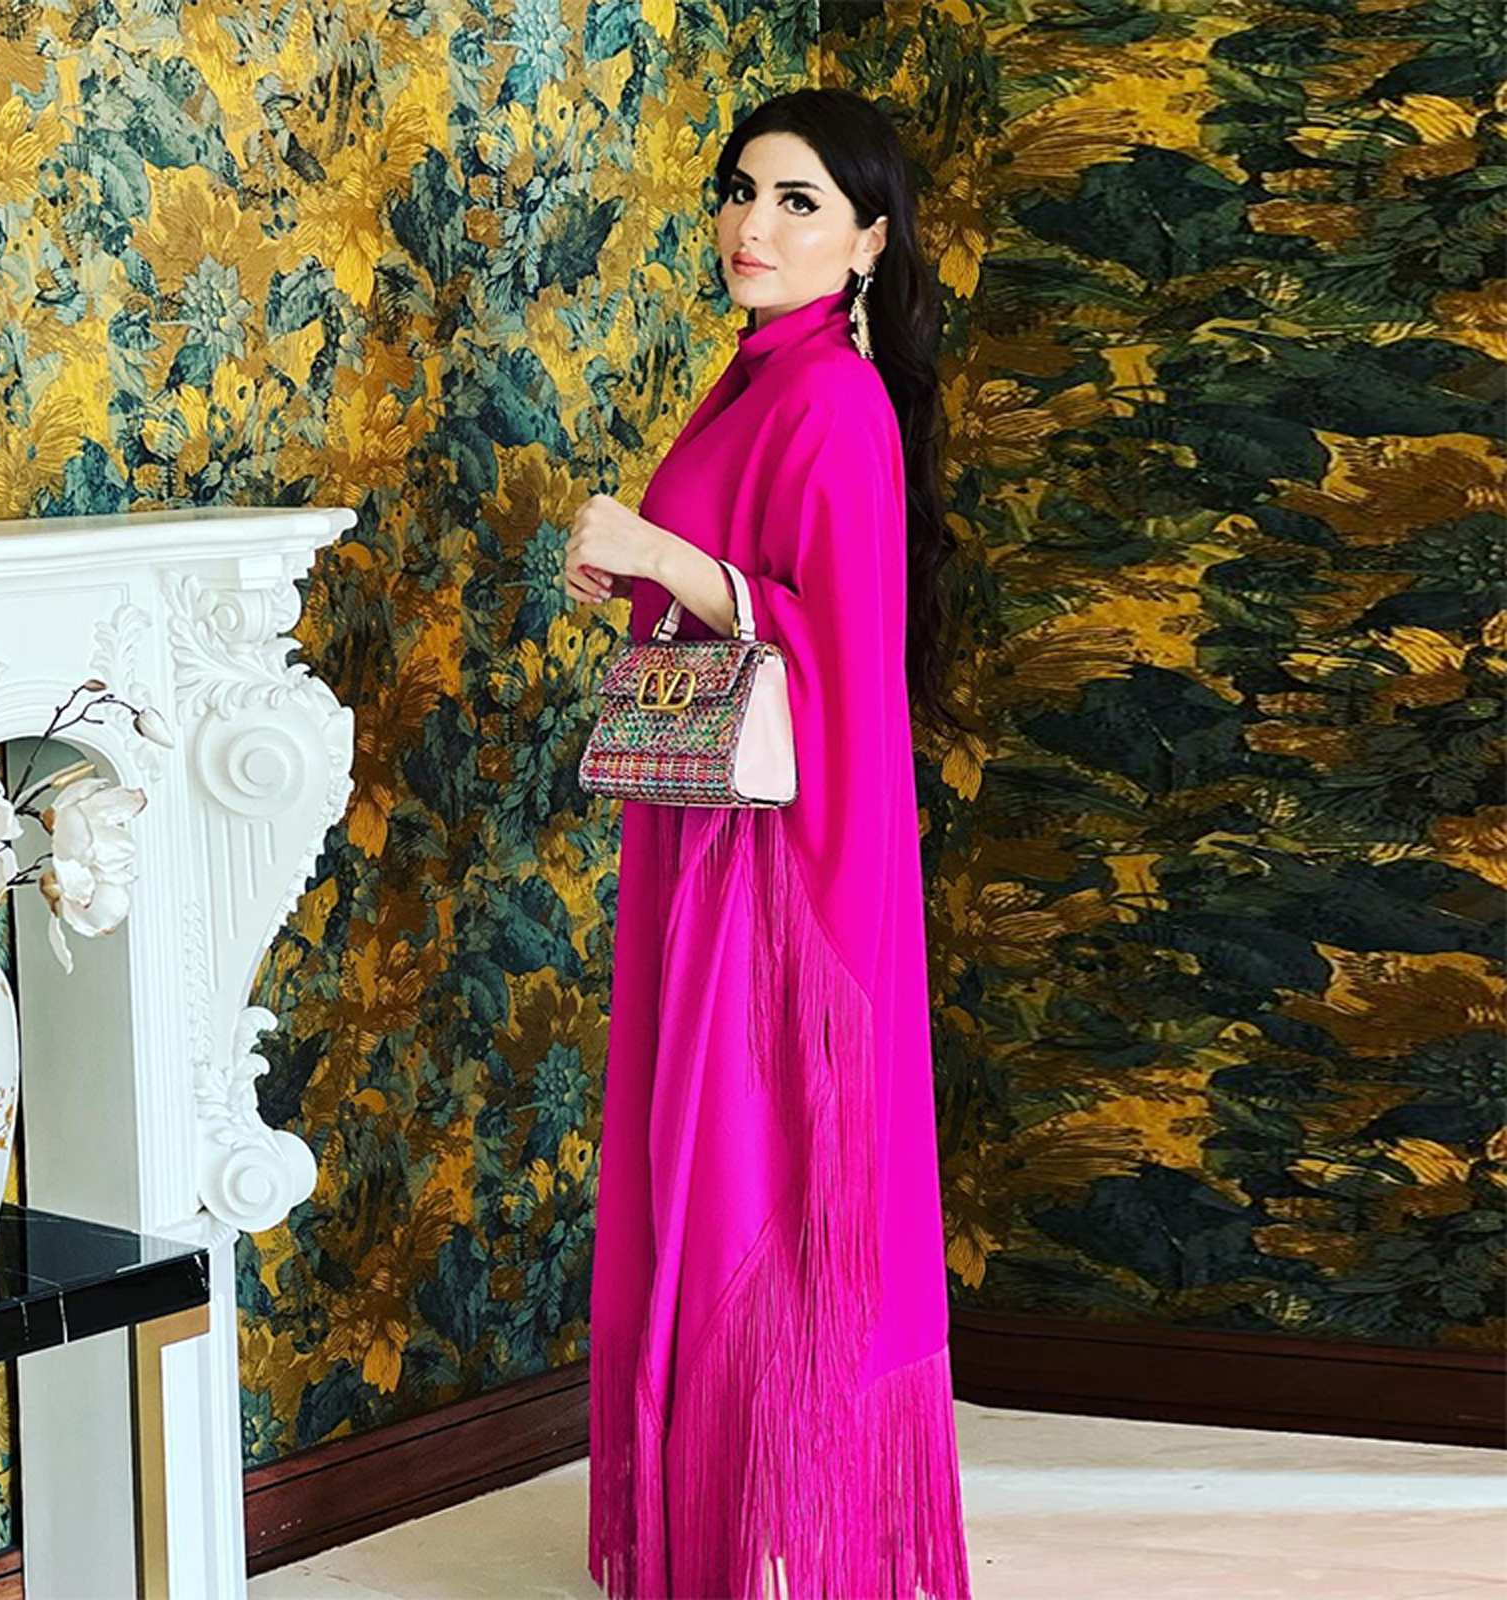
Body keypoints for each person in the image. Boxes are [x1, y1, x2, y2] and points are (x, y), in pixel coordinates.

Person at [565, 86, 973, 1600]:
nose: (753, 224)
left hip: (779, 871)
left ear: (868, 240)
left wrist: (664, 555)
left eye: (799, 201)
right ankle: (732, 1523)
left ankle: (779, 1531)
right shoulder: (750, 384)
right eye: (742, 190)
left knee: (752, 1169)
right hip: (708, 843)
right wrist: (644, 579)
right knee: (705, 1163)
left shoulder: (831, 402)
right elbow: (749, 589)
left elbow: (844, 657)